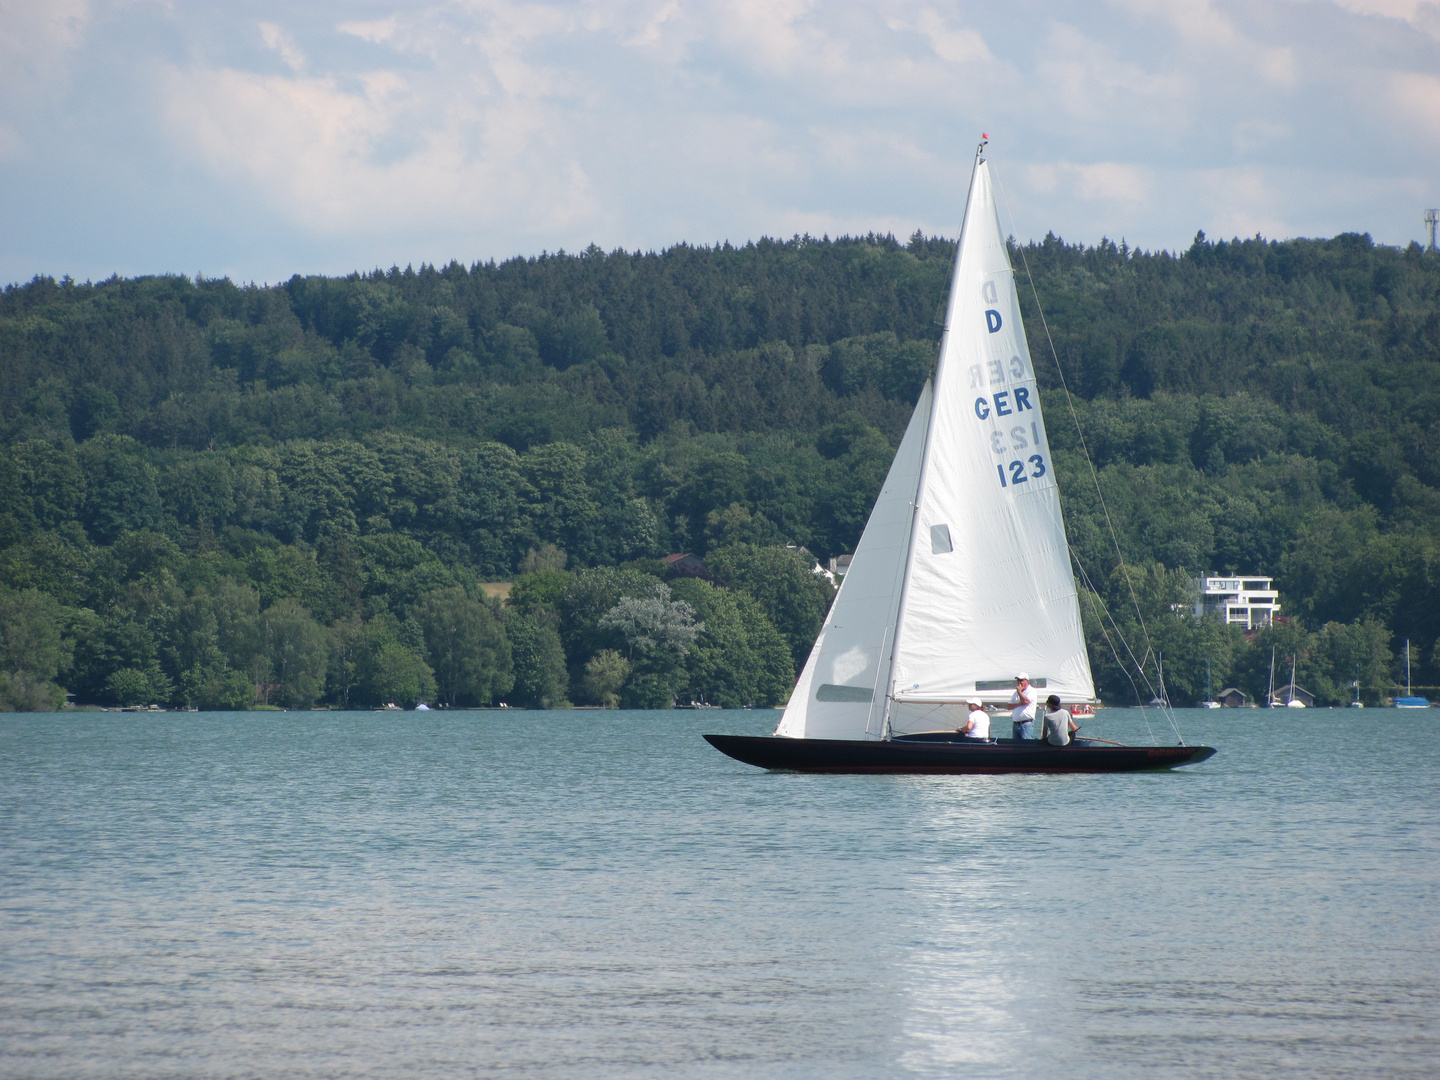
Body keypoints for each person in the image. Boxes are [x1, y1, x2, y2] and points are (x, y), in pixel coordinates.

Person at [1010, 674, 1037, 739]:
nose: (1019, 682)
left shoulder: (1031, 691)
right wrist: (1019, 704)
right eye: (1018, 680)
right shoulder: (1016, 693)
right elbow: (1009, 706)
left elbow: (1026, 701)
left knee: (1026, 745)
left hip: (1026, 723)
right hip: (1016, 724)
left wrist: (1019, 692)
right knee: (1015, 746)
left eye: (1021, 680)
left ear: (1027, 681)